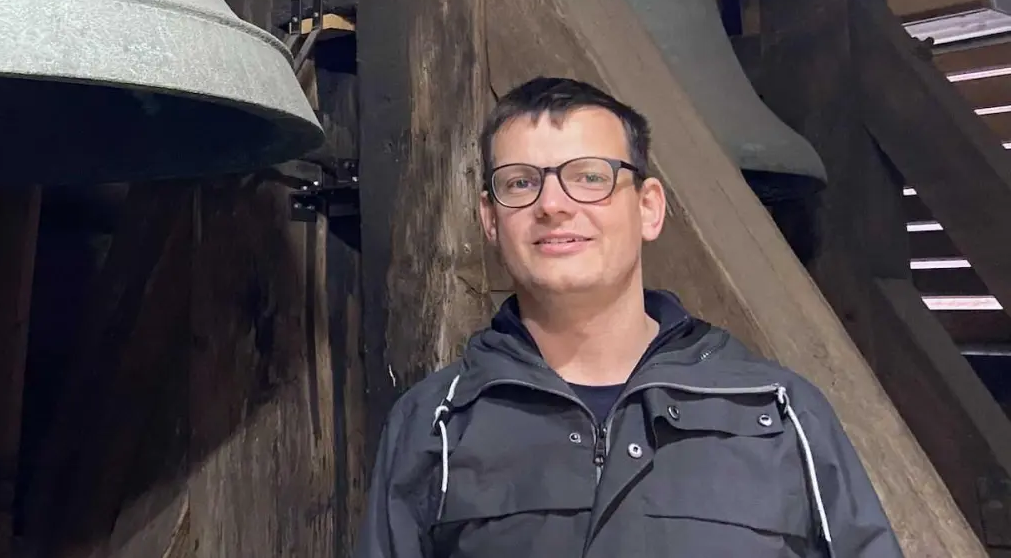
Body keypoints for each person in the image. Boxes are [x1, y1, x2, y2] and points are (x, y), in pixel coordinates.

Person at [353, 76, 901, 557]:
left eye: (590, 176)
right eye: (521, 182)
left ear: (649, 207)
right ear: (491, 220)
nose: (552, 204)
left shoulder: (779, 412)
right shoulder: (434, 425)